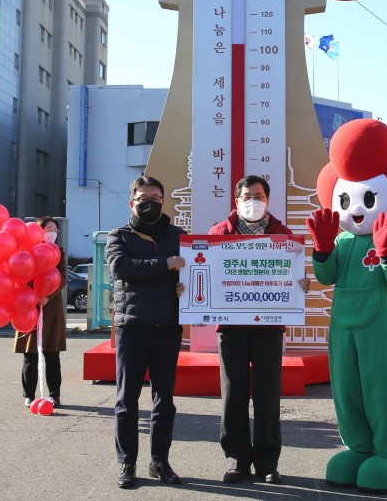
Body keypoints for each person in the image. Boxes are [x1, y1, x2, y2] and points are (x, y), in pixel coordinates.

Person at [207, 175, 309, 485]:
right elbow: (206, 275)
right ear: (236, 201)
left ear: (268, 199)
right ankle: (237, 459)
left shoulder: (283, 234)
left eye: (259, 195)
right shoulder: (218, 233)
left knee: (267, 396)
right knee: (233, 394)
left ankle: (267, 462)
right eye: (246, 196)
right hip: (231, 326)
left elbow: (293, 276)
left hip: (268, 326)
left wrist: (299, 285)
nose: (253, 200)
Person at [107, 175, 186, 489]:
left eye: (155, 197)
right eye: (143, 198)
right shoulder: (119, 236)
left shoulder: (178, 236)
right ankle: (127, 462)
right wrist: (165, 264)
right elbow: (121, 269)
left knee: (164, 401)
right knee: (126, 400)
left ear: (163, 201)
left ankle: (160, 462)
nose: (149, 202)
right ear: (132, 202)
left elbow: (193, 272)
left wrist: (186, 287)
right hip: (132, 326)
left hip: (167, 326)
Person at [13, 216, 66, 408]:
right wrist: (31, 294)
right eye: (49, 229)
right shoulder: (25, 250)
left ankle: (54, 395)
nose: (52, 233)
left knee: (52, 354)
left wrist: (47, 296)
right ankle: (29, 394)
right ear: (38, 230)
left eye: (55, 230)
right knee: (30, 354)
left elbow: (62, 279)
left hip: (51, 308)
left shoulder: (58, 252)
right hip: (28, 305)